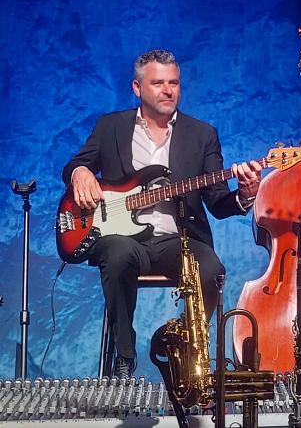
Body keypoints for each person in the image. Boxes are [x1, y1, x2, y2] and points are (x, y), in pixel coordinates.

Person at [62, 49, 263, 379]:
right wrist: (80, 172)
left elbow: (215, 202)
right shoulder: (110, 127)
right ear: (137, 88)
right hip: (124, 239)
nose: (169, 90)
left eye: (174, 82)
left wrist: (244, 195)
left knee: (211, 269)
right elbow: (74, 164)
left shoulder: (202, 134)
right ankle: (124, 358)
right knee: (116, 254)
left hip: (178, 240)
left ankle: (184, 343)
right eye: (158, 83)